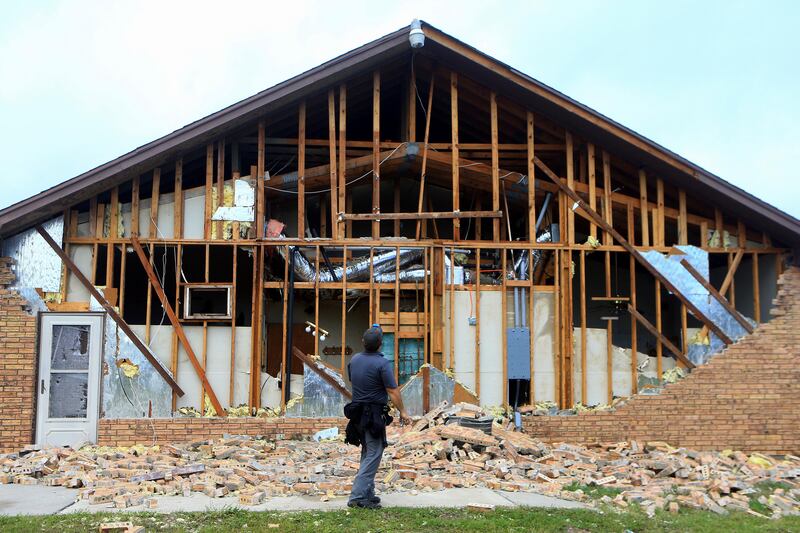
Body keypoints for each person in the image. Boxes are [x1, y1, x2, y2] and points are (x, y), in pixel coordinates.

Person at [344, 325, 411, 509]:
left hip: (357, 413)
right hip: (372, 414)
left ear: (363, 342)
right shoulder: (382, 364)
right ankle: (357, 496)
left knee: (368, 451)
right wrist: (403, 412)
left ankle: (367, 492)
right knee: (374, 452)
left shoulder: (355, 360)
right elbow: (392, 390)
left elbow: (354, 379)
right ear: (381, 344)